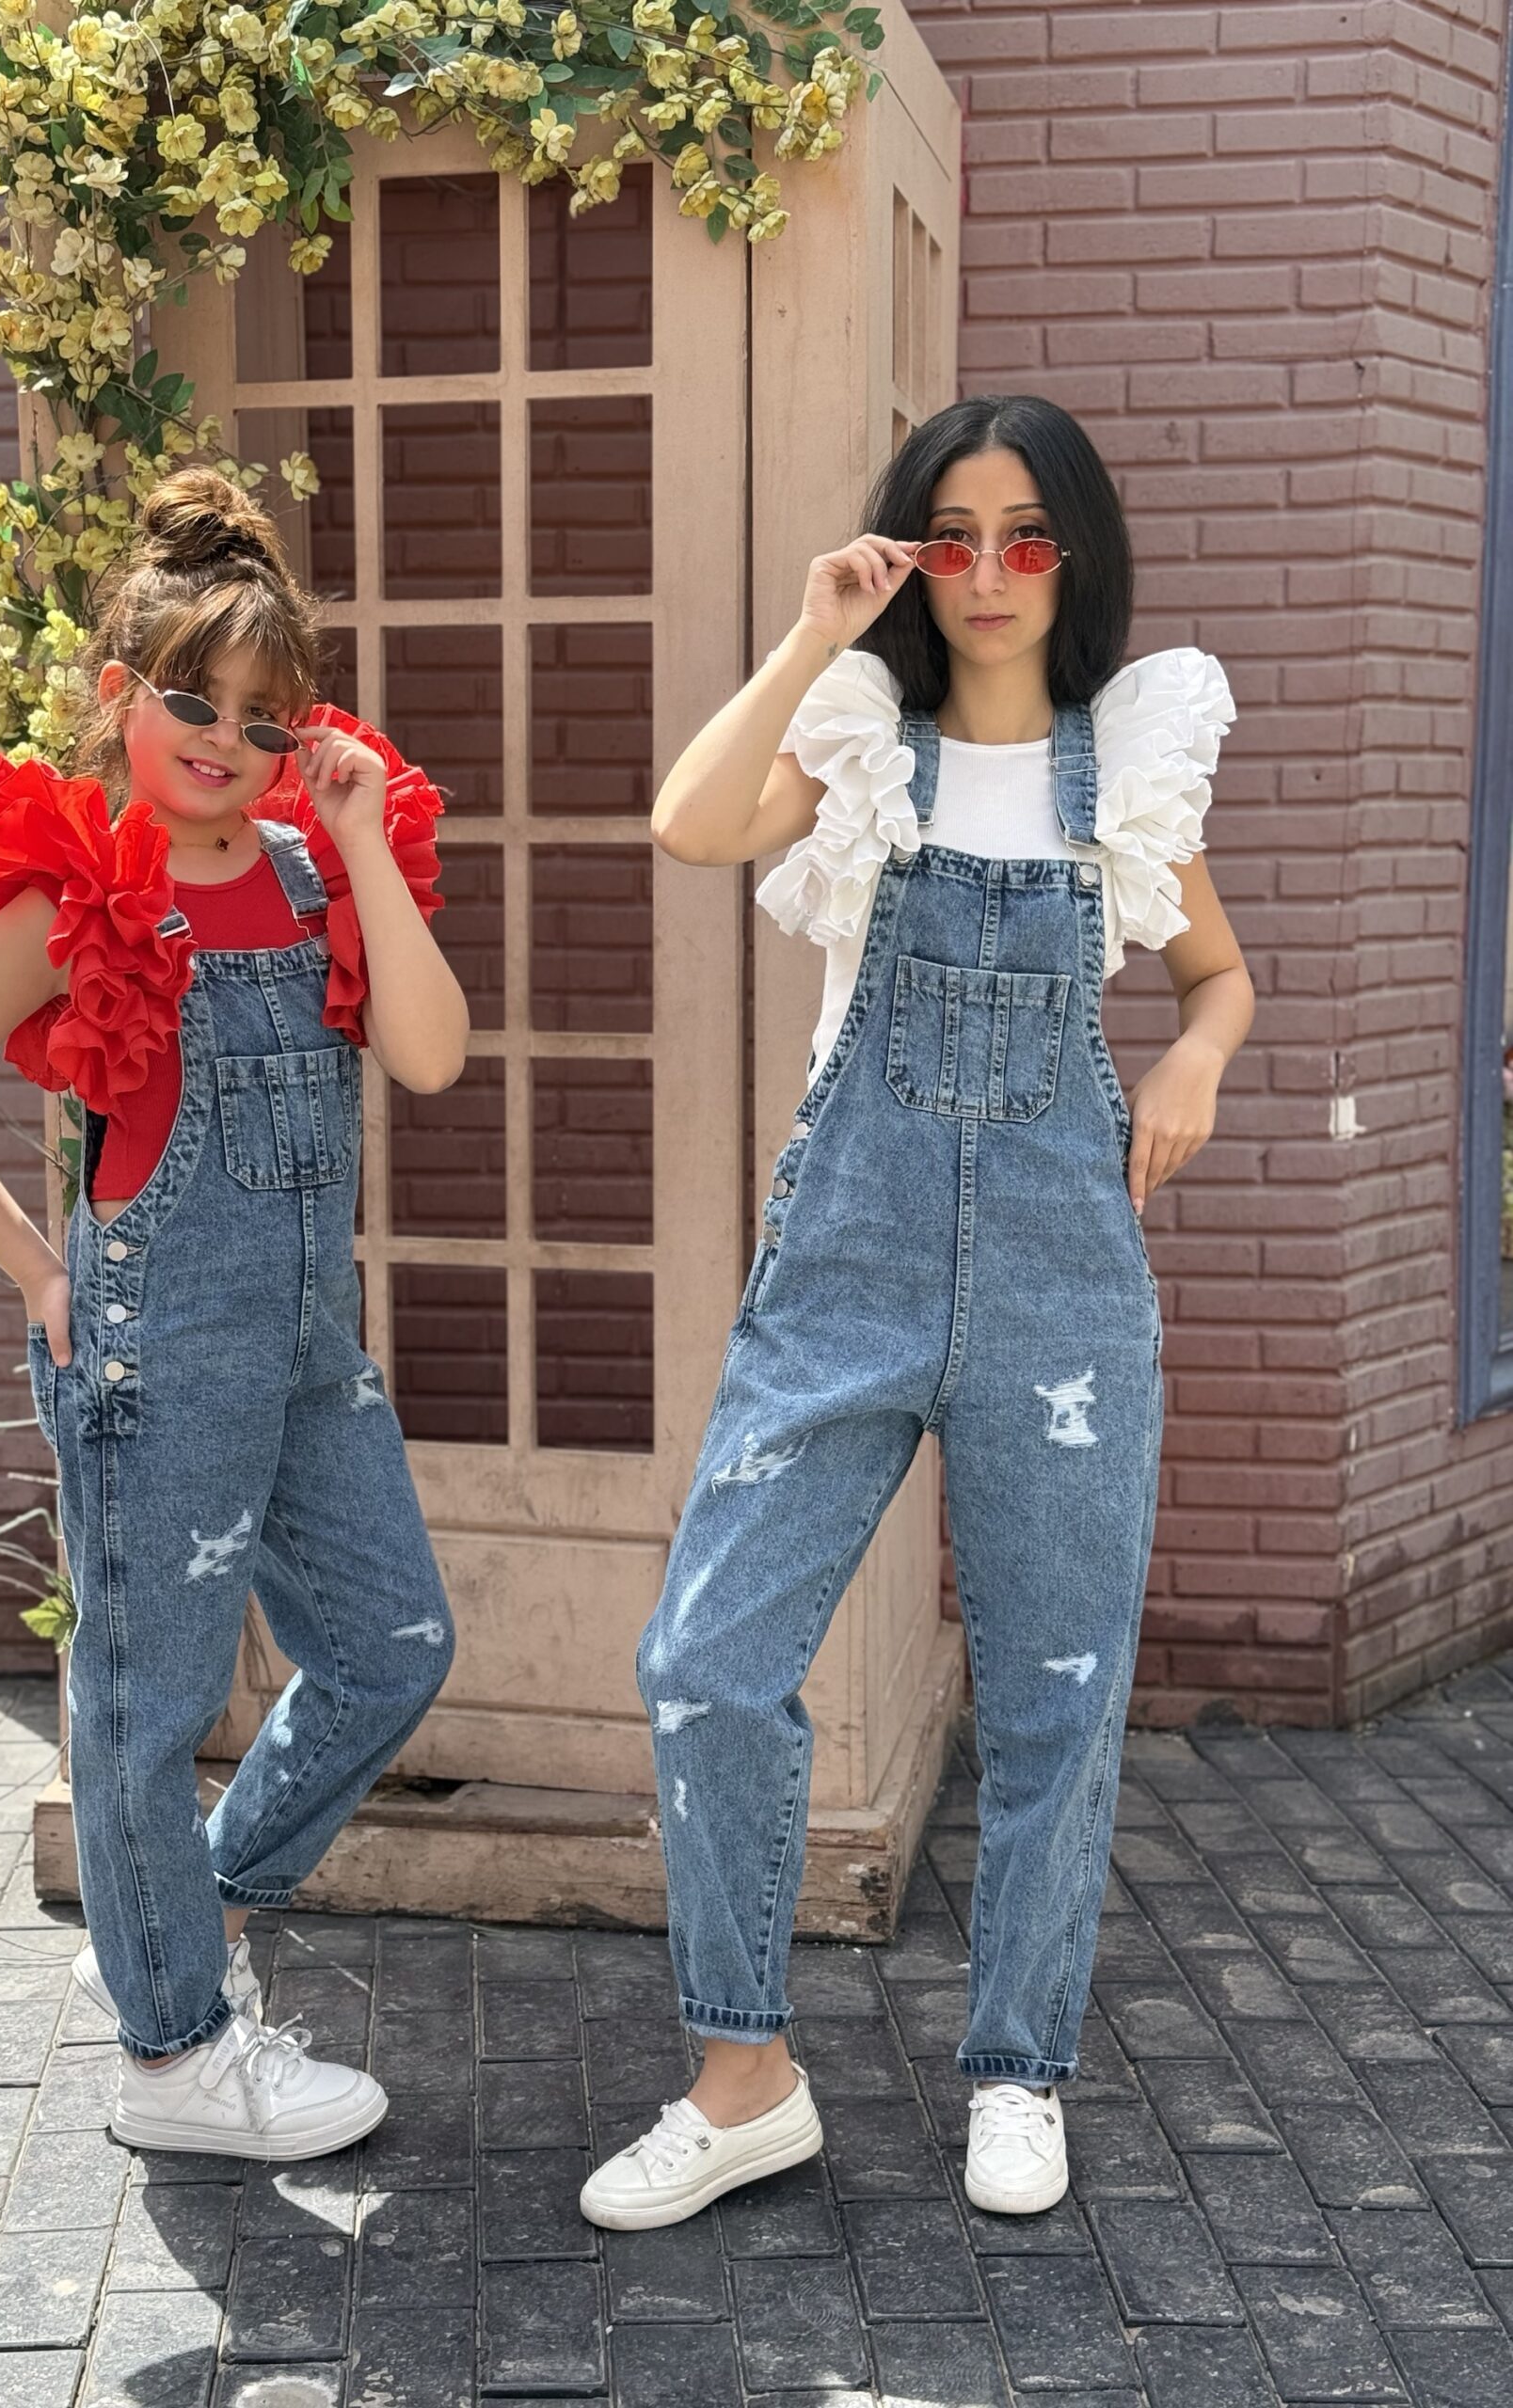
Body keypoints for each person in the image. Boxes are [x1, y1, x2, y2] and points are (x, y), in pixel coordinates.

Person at [580, 395, 1253, 2231]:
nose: (989, 571)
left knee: (1055, 1688)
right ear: (913, 557)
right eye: (952, 536)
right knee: (706, 1659)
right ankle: (744, 2079)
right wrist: (817, 630)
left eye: (1027, 535)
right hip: (848, 1264)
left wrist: (1193, 1057)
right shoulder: (864, 748)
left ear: (1075, 558)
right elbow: (688, 822)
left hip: (1061, 1283)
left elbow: (1217, 974)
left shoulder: (1125, 775)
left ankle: (1019, 2067)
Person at [0, 467, 469, 2159]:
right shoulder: (81, 897)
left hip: (312, 1356)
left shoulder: (314, 869)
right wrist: (42, 1271)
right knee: (145, 1711)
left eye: (263, 716)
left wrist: (363, 836)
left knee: (393, 1649)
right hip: (155, 1358)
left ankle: (178, 1921)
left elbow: (429, 1056)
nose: (223, 739)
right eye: (192, 699)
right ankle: (174, 2061)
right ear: (121, 692)